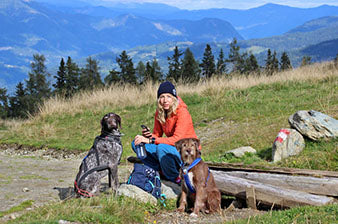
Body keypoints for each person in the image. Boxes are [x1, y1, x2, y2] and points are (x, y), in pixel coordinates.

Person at [132, 81, 199, 184]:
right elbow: (157, 135)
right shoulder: (160, 112)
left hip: (188, 152)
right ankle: (158, 170)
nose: (165, 100)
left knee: (162, 148)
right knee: (137, 143)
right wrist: (148, 136)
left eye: (168, 96)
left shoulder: (182, 113)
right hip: (172, 149)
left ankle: (175, 177)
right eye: (162, 97)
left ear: (174, 98)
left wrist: (150, 140)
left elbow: (177, 140)